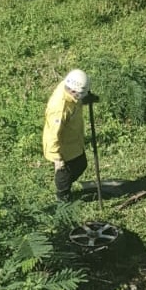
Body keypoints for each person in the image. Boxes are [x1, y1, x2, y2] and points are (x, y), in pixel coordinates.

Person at [43, 69, 92, 202]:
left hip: (73, 140)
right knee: (65, 173)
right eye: (81, 94)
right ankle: (62, 196)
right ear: (74, 92)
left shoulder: (70, 89)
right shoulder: (59, 109)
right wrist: (57, 159)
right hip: (62, 147)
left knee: (81, 164)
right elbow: (52, 135)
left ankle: (66, 187)